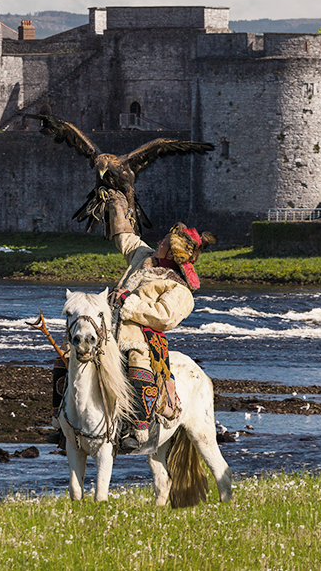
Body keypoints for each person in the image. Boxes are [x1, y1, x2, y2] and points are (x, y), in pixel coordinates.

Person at [48, 191, 215, 452]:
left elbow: (164, 316)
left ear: (171, 251)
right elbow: (126, 237)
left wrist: (129, 302)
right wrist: (117, 205)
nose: (158, 241)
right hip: (106, 333)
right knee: (66, 357)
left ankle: (137, 429)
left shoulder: (180, 290)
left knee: (138, 366)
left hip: (140, 340)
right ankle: (61, 422)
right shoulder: (143, 257)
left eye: (164, 241)